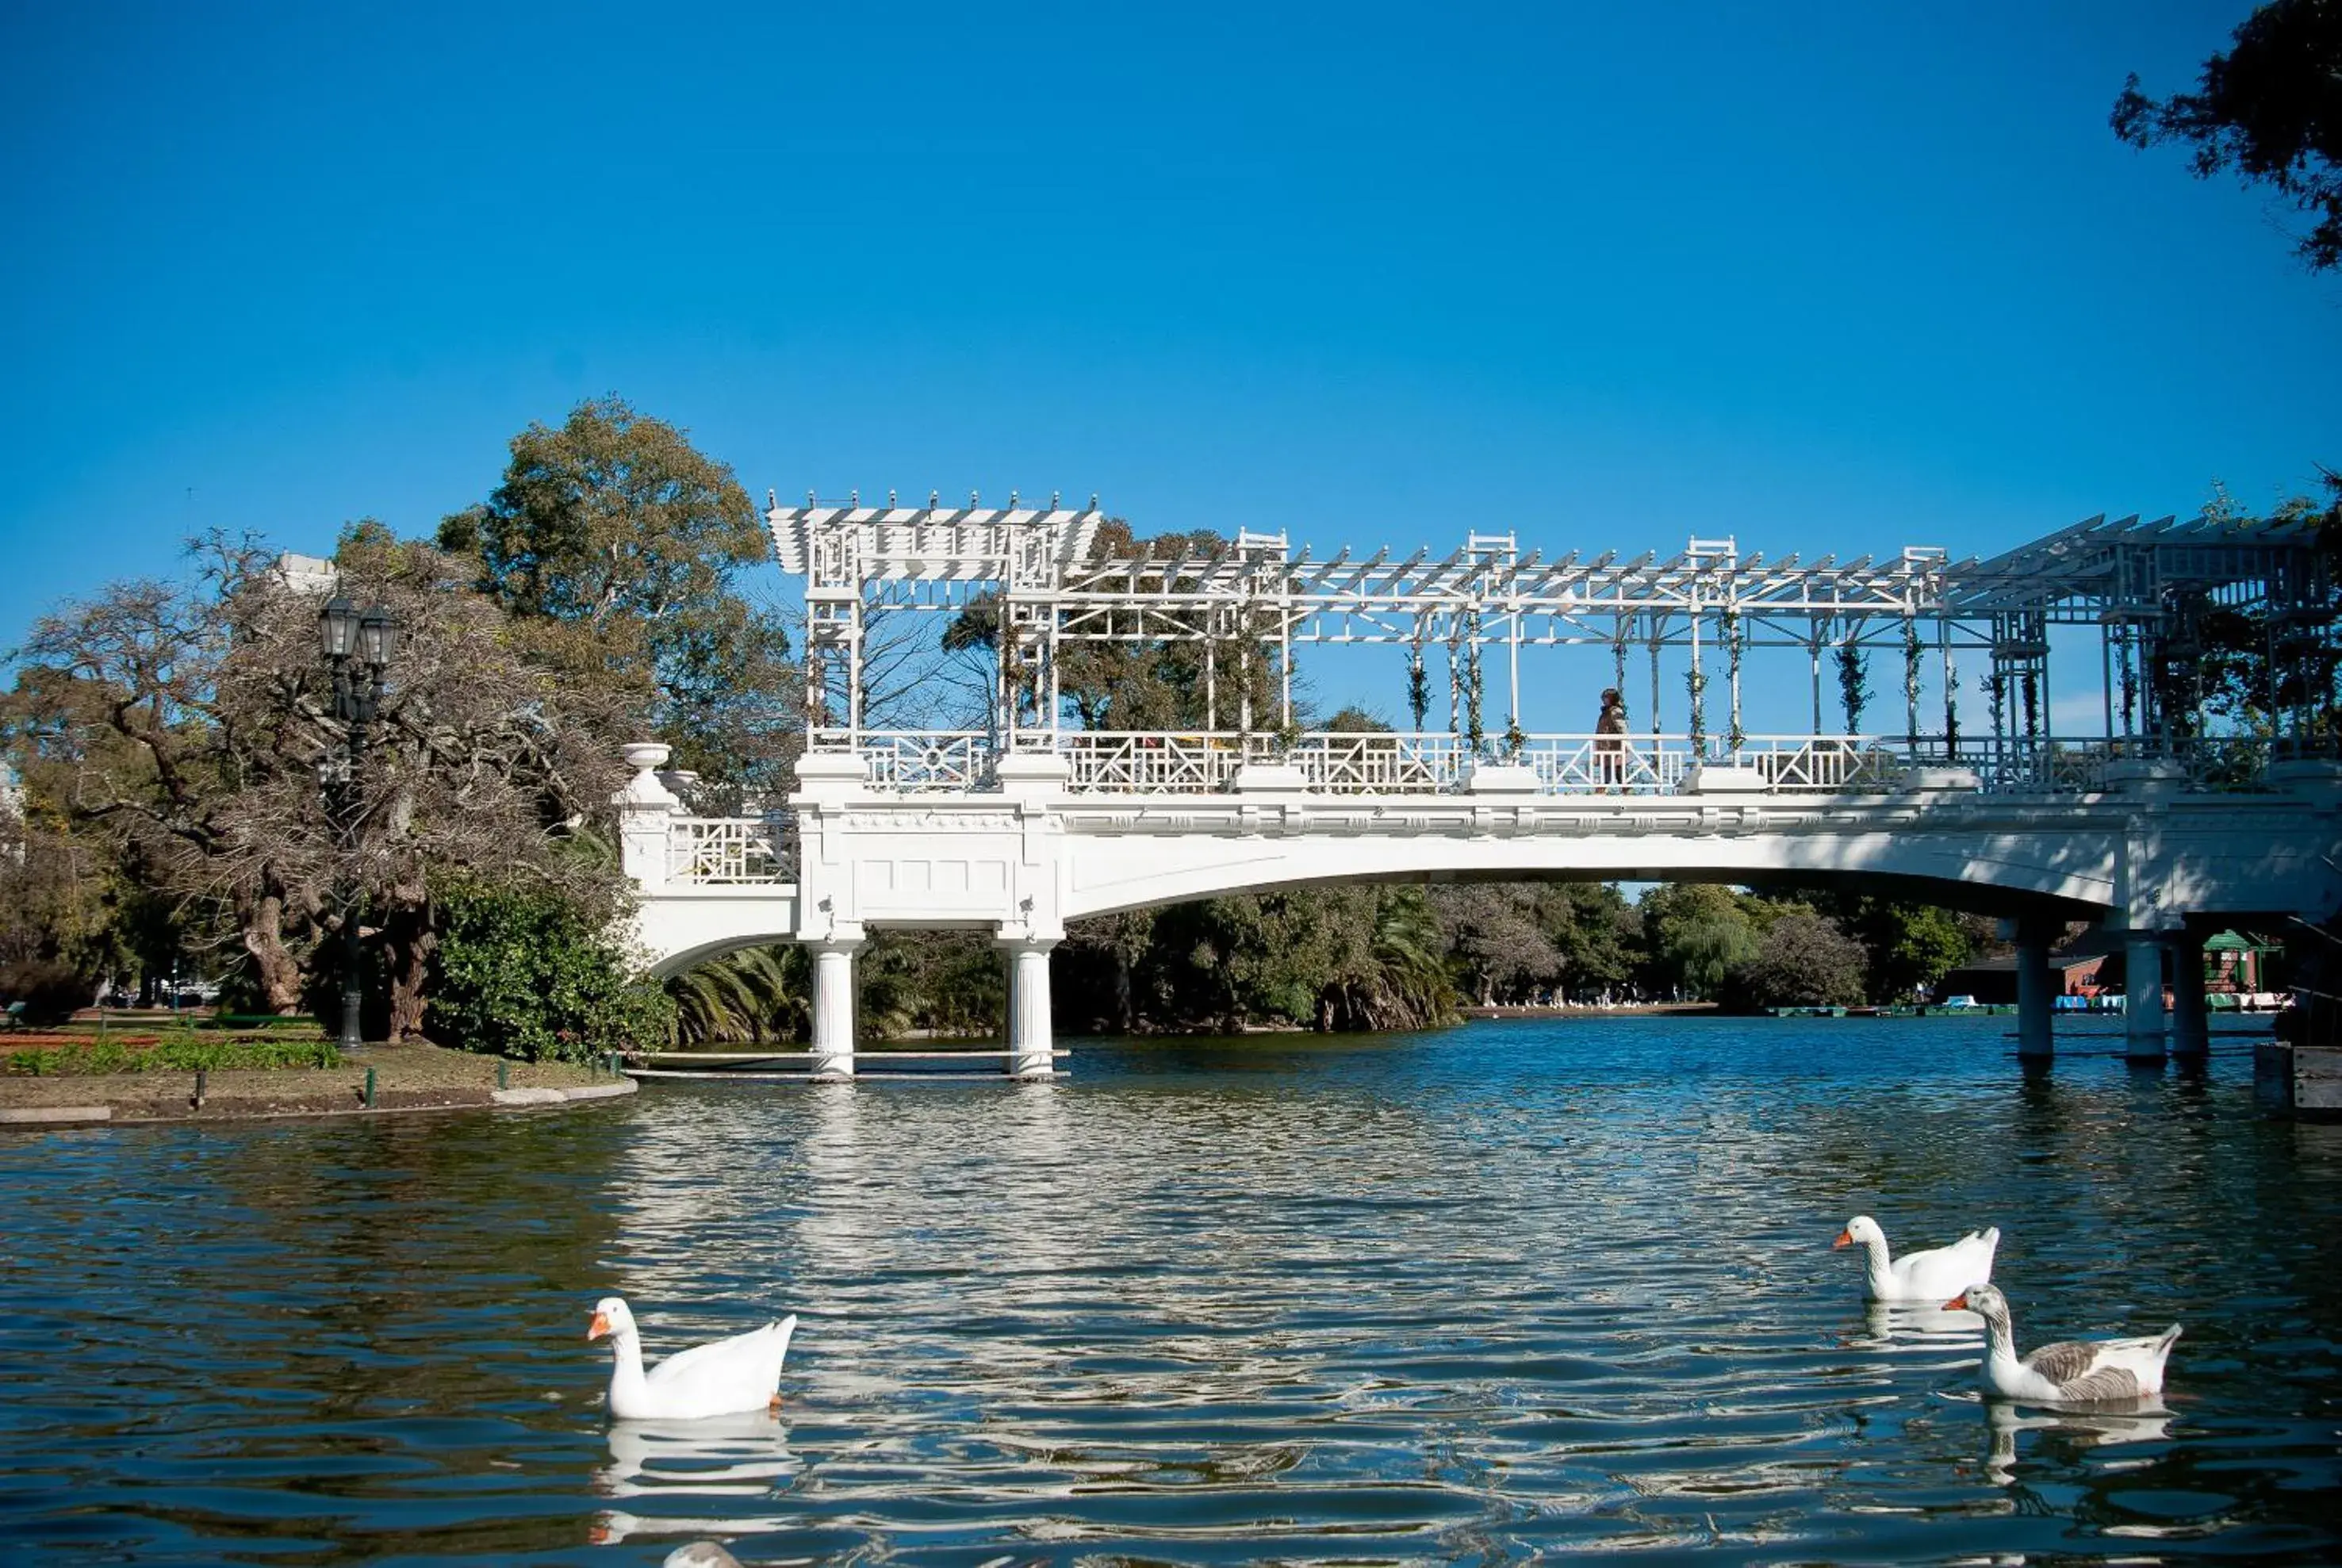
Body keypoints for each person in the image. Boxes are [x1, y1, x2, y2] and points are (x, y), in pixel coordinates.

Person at [1594, 687, 1628, 791]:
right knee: (1612, 768)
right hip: (1605, 747)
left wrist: (1626, 741)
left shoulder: (1615, 711)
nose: (1604, 700)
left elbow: (1622, 727)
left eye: (1606, 698)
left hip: (1613, 746)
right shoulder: (1605, 713)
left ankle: (1625, 789)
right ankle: (1625, 789)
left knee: (1617, 768)